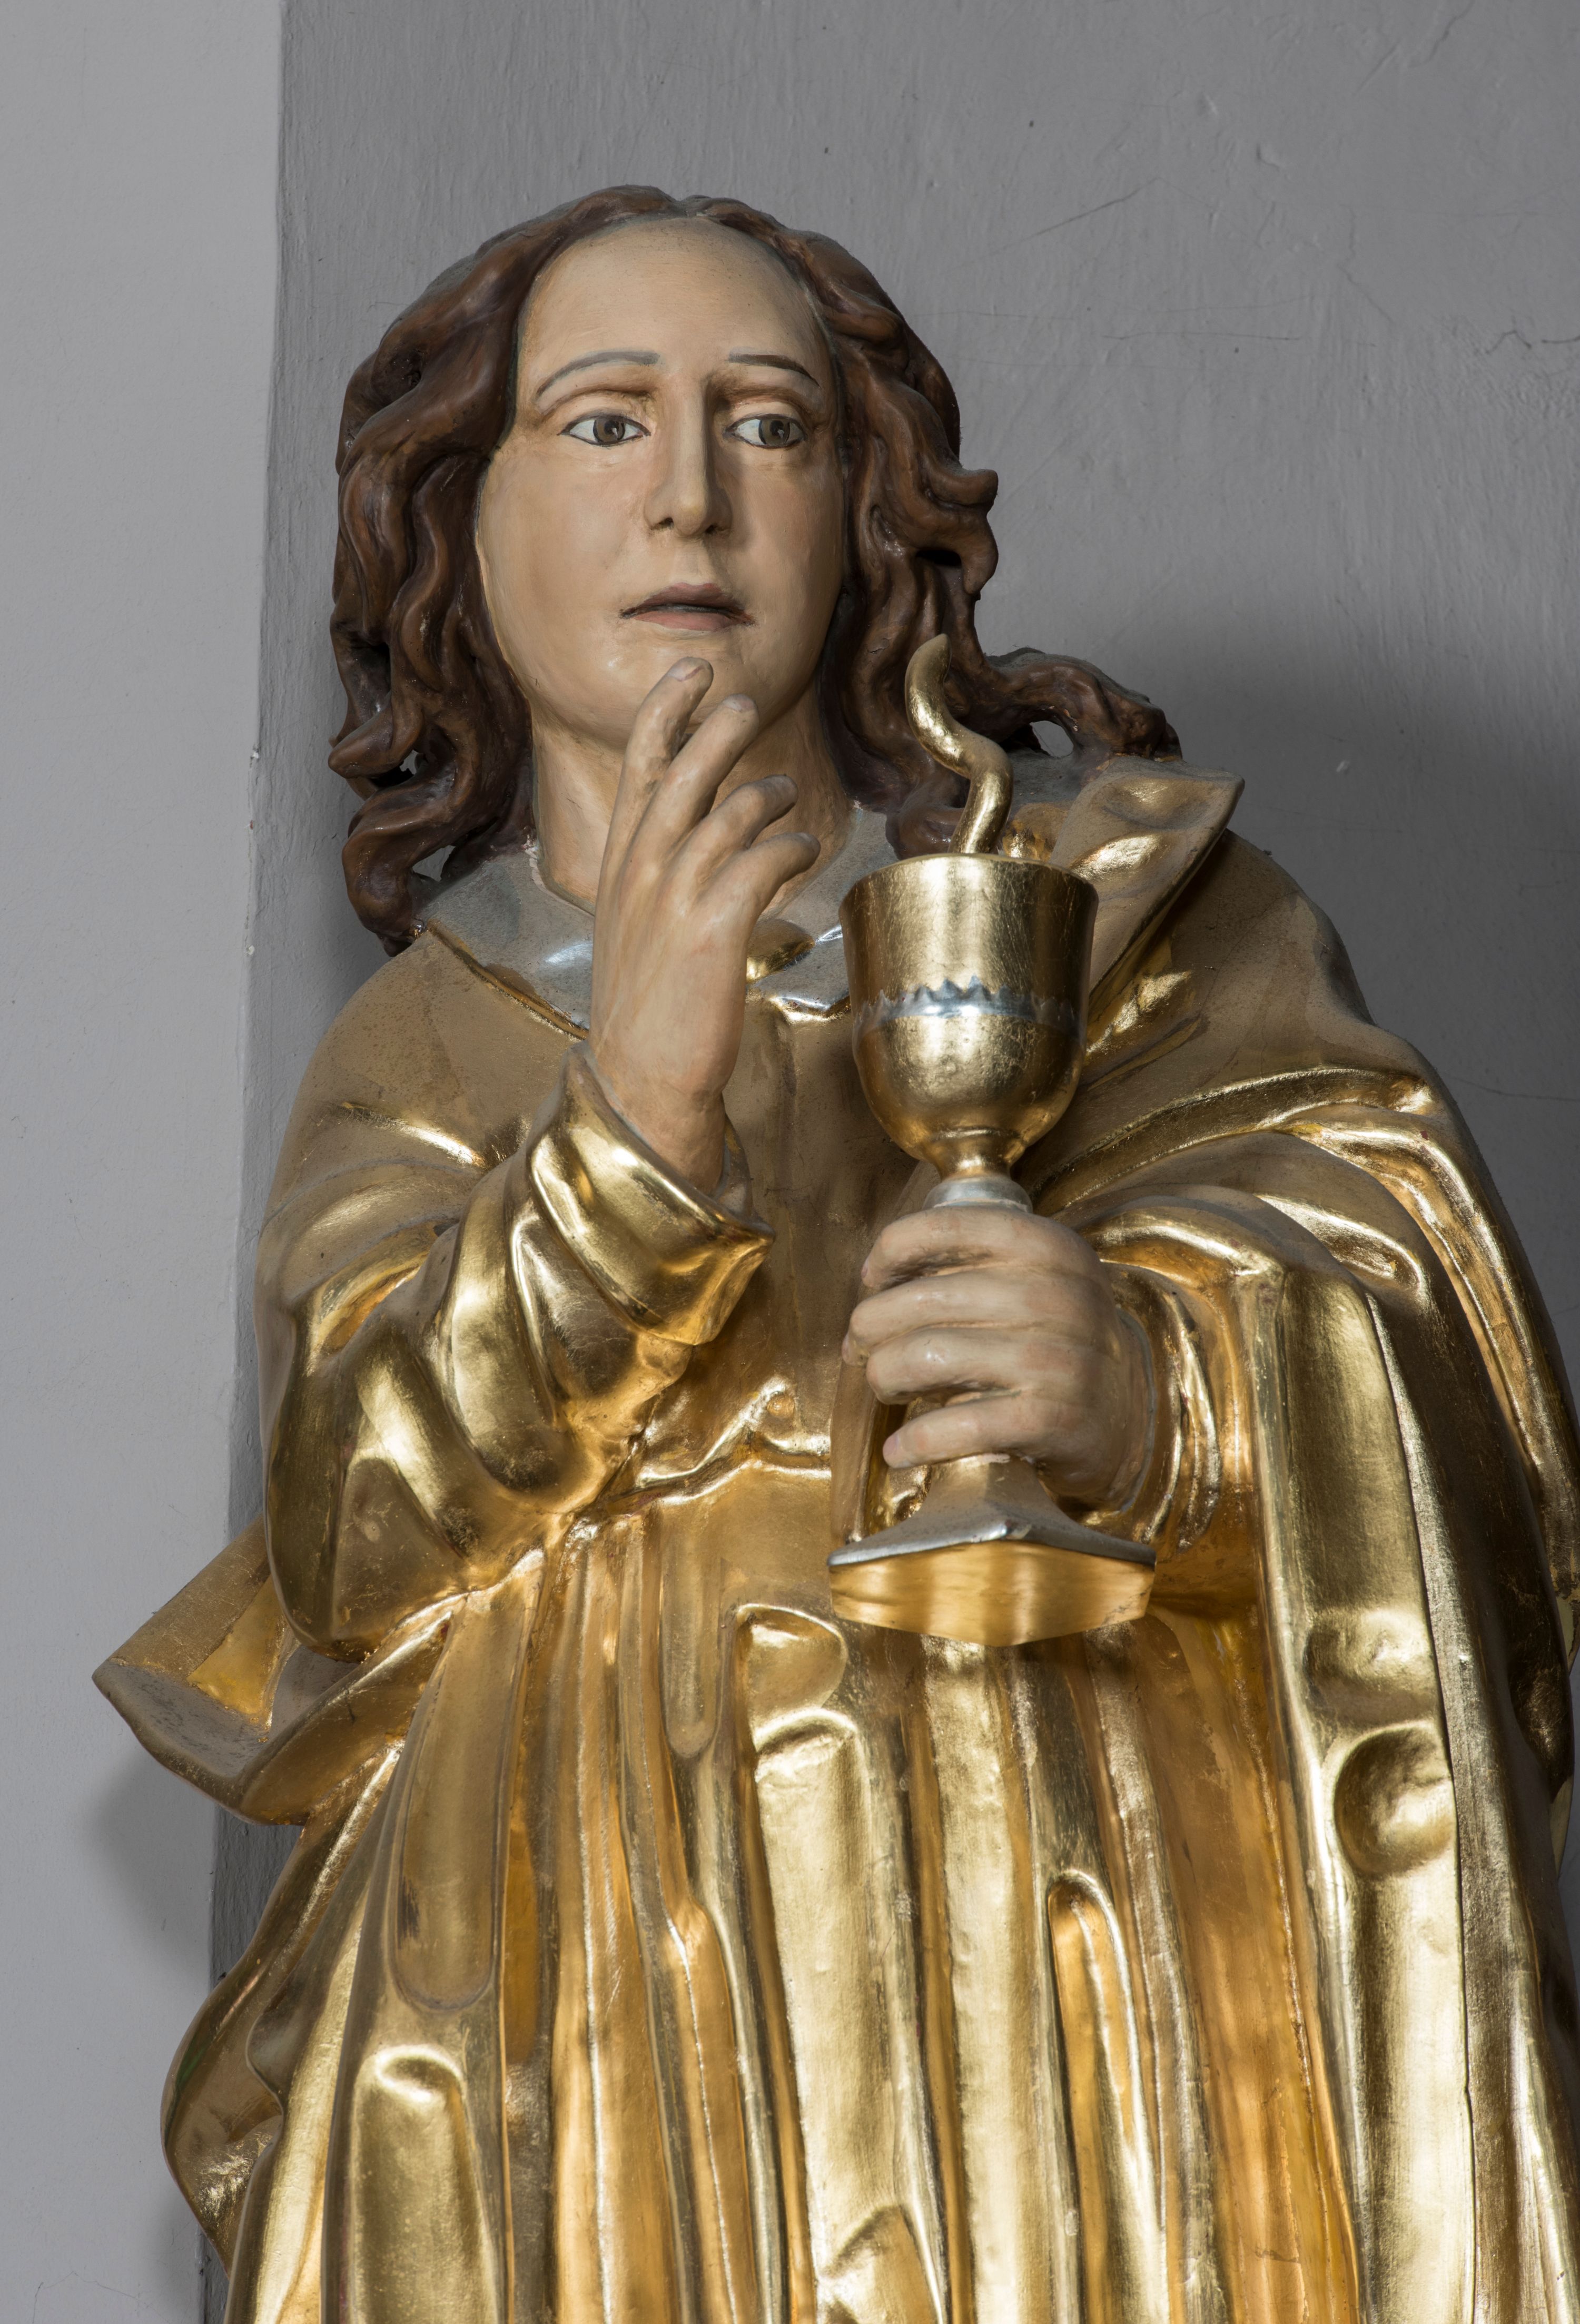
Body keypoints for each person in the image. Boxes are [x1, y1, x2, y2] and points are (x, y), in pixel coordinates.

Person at [99, 186, 1580, 2322]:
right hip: (589, 2018)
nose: (691, 496)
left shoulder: (1127, 928)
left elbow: (1441, 1336)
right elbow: (352, 1530)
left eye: (769, 424)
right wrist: (628, 1124)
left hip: (1069, 1980)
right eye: (605, 422)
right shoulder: (426, 1046)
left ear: (861, 511)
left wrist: (1170, 1389)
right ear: (463, 528)